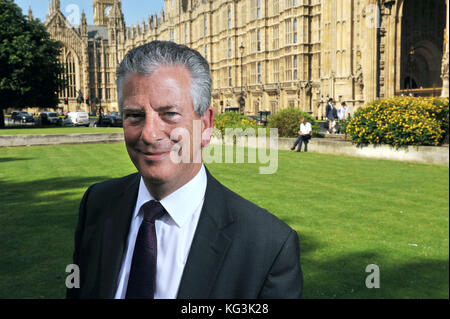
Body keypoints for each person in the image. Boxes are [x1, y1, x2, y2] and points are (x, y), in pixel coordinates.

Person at [67, 41, 302, 299]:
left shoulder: (268, 246)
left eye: (169, 114)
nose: (149, 134)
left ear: (206, 124)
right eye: (134, 115)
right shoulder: (97, 204)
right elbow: (76, 288)